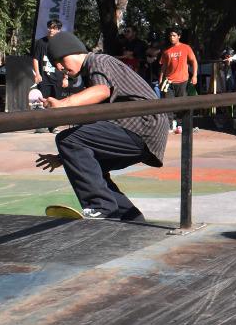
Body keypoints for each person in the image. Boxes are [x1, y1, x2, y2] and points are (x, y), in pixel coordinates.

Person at [33, 30, 169, 221]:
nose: (58, 67)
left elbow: (102, 91)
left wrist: (63, 104)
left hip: (141, 126)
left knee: (66, 138)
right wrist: (65, 157)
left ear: (73, 52)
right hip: (145, 131)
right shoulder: (91, 72)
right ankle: (131, 217)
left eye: (61, 61)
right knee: (90, 168)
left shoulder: (98, 61)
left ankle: (100, 206)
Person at [158, 27, 198, 132]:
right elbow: (164, 66)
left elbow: (194, 61)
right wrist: (160, 79)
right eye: (170, 35)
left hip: (182, 80)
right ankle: (170, 126)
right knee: (168, 103)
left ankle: (181, 124)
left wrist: (194, 76)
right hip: (168, 81)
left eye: (174, 35)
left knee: (182, 104)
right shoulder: (166, 51)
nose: (172, 37)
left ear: (179, 36)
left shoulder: (186, 48)